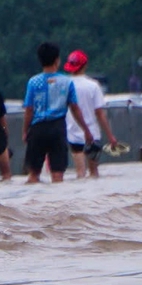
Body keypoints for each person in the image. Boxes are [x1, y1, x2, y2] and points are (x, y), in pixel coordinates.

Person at [22, 43, 94, 186]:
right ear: (57, 60)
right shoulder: (66, 82)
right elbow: (75, 108)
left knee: (33, 175)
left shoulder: (33, 82)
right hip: (58, 128)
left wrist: (25, 131)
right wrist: (86, 130)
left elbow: (29, 109)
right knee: (58, 175)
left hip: (38, 128)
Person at [64, 49, 115, 179]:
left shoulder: (65, 85)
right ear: (85, 65)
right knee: (94, 173)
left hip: (73, 134)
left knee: (80, 174)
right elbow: (100, 114)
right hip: (92, 135)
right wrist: (110, 137)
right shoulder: (93, 86)